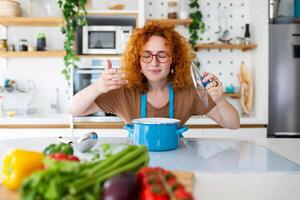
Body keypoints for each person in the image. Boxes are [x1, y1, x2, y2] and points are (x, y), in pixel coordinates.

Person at [68, 23, 240, 129]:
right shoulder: (123, 92)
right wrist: (98, 87)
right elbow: (74, 110)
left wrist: (219, 99)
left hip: (177, 160)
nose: (154, 62)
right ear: (138, 59)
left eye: (162, 55)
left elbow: (233, 124)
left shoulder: (189, 91)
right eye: (147, 55)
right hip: (137, 162)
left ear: (174, 59)